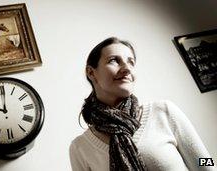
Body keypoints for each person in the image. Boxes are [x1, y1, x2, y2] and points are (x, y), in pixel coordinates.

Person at [69, 37, 215, 171]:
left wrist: (206, 163)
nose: (126, 68)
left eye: (131, 62)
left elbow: (204, 160)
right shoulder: (80, 148)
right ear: (91, 72)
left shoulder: (163, 111)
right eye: (114, 60)